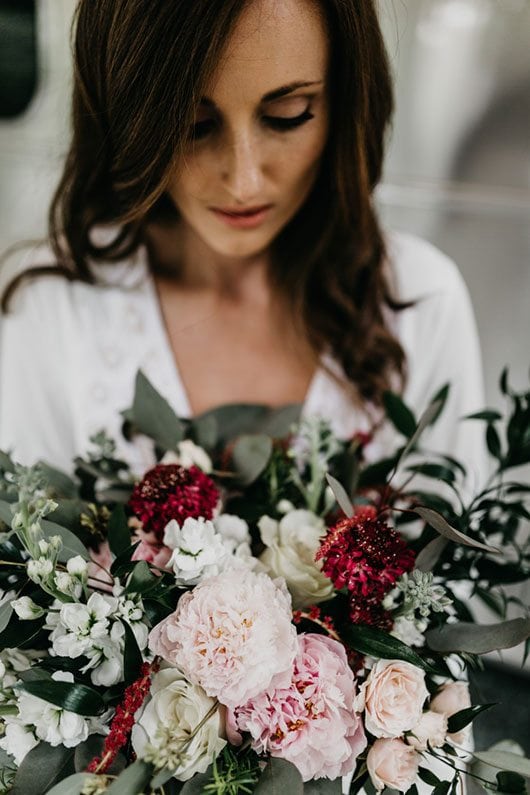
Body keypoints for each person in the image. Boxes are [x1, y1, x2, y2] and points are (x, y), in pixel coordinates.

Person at [0, 0, 485, 489]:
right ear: (128, 116)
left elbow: (464, 557)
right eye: (195, 125)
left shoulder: (419, 301)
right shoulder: (52, 306)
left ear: (345, 100)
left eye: (287, 116)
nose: (245, 182)